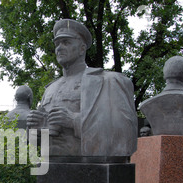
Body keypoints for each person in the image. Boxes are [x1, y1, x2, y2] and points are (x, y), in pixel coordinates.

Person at [27, 19, 137, 158]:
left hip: (91, 168)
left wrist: (74, 121)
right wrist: (35, 129)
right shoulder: (50, 89)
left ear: (82, 48)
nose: (59, 48)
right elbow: (41, 140)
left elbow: (124, 131)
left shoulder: (108, 81)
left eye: (66, 42)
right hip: (53, 166)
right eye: (57, 44)